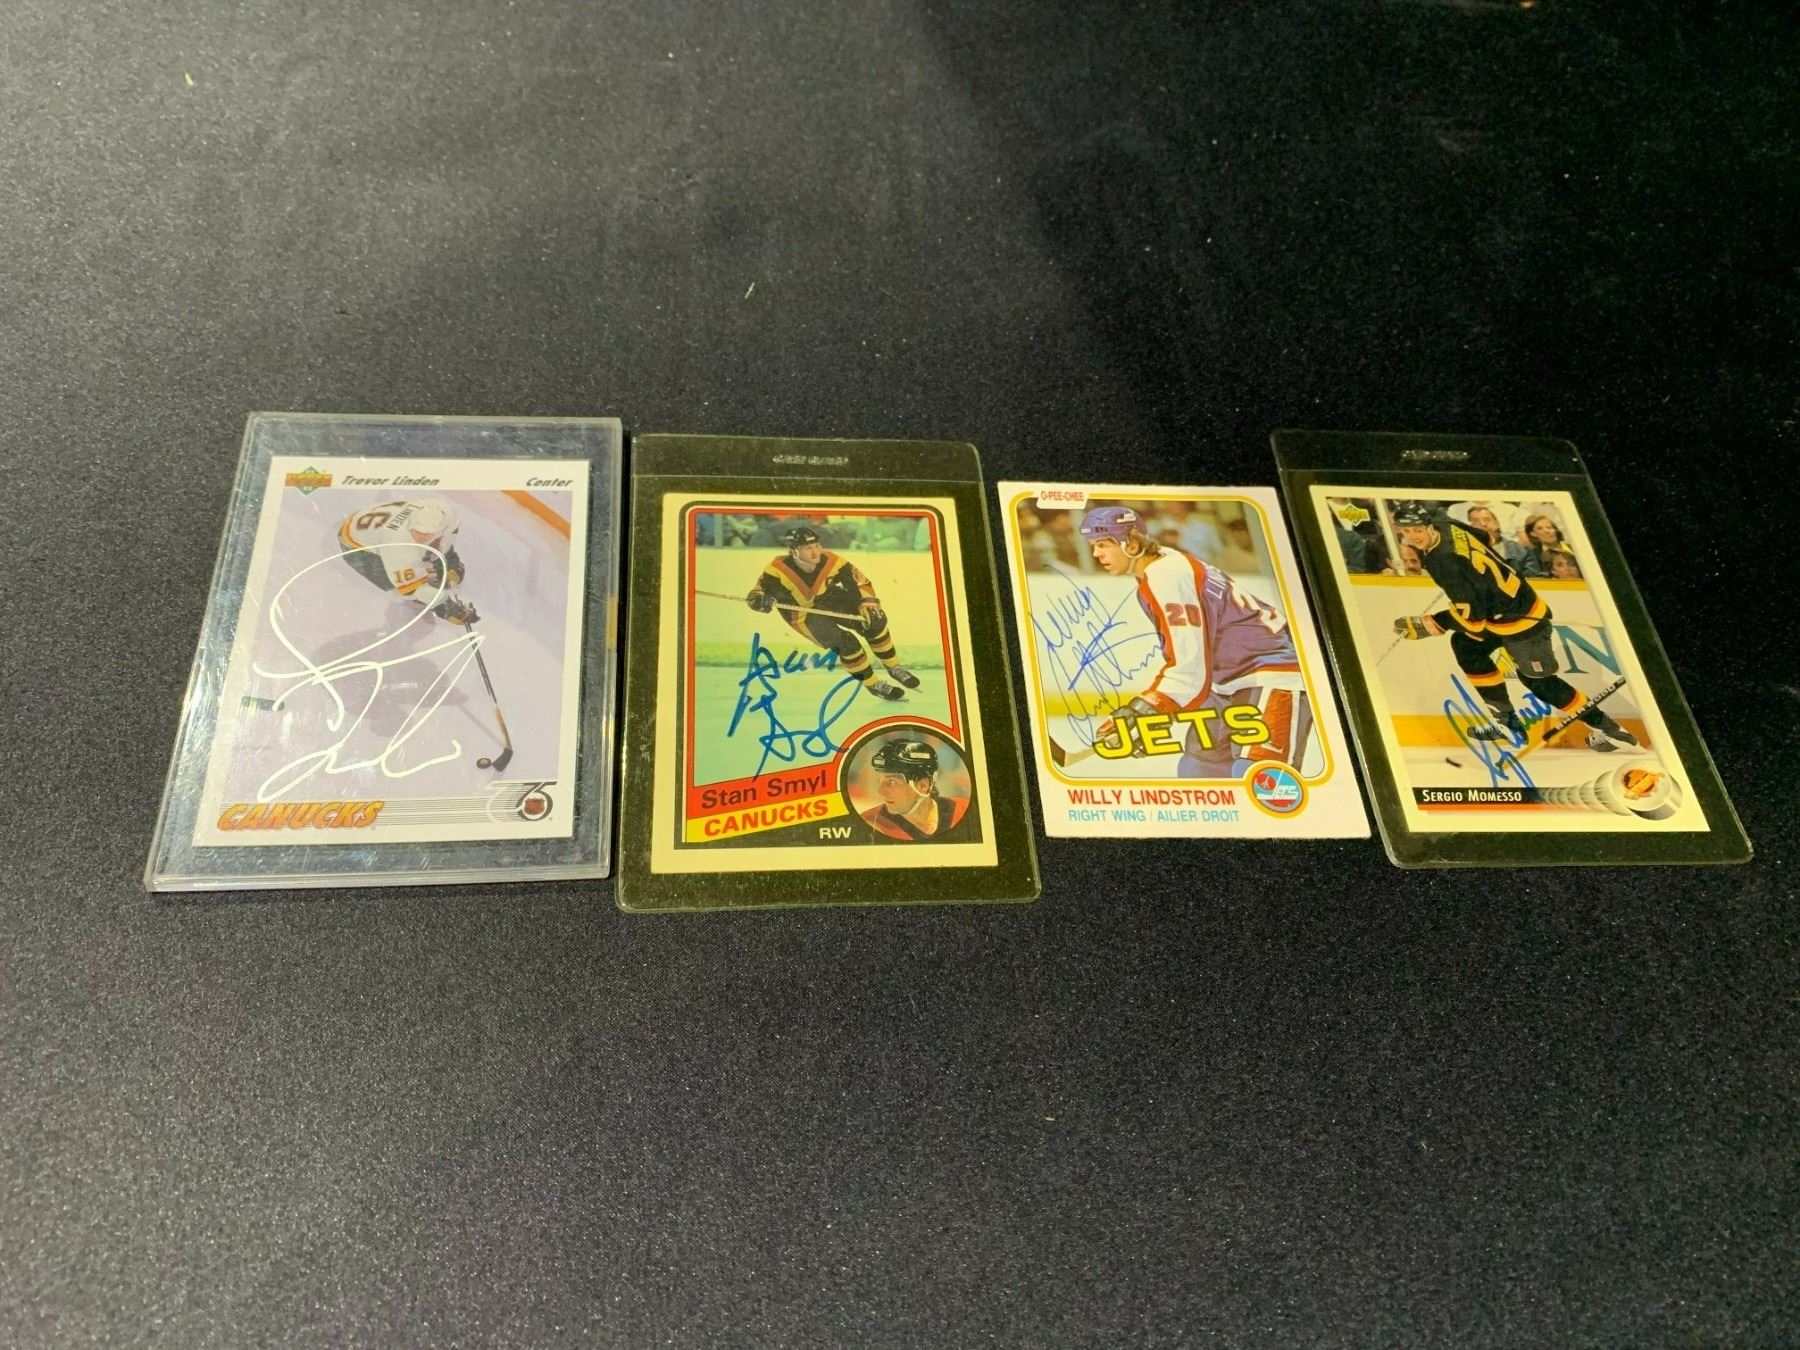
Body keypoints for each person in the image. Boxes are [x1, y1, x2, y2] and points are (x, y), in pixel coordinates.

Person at [1079, 505, 1311, 777]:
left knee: (1258, 778)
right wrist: (1156, 711)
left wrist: (1142, 710)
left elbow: (1187, 669)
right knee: (1199, 770)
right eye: (1094, 546)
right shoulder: (1164, 566)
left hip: (1272, 674)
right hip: (1226, 681)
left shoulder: (1166, 575)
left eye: (1103, 545)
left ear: (1130, 544)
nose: (1096, 554)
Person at [1388, 501, 1635, 749]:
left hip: (1522, 620)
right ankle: (1507, 722)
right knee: (1466, 645)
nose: (1413, 536)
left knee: (1538, 682)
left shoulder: (1442, 561)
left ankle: (1611, 730)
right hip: (1500, 614)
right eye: (1406, 531)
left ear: (1429, 525)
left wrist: (1434, 623)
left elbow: (1474, 618)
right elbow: (1486, 538)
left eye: (1418, 530)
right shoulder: (1447, 524)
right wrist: (1473, 575)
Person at [744, 526, 918, 701]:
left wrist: (867, 603)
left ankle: (894, 667)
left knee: (874, 620)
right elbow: (757, 593)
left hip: (828, 599)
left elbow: (859, 582)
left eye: (816, 546)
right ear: (794, 551)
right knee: (847, 644)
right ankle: (873, 684)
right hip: (801, 614)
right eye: (808, 548)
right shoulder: (777, 569)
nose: (815, 552)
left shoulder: (832, 561)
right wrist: (759, 600)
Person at [336, 498, 478, 625]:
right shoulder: (399, 548)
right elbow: (415, 590)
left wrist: (447, 559)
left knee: (426, 550)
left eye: (426, 535)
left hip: (371, 517)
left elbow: (446, 537)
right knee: (397, 582)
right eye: (417, 534)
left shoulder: (441, 511)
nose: (419, 538)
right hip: (354, 544)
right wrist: (446, 607)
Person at [859, 737, 968, 840]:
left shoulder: (962, 809)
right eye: (879, 780)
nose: (880, 791)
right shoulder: (871, 824)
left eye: (891, 781)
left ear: (923, 786)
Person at [1464, 503, 1532, 572]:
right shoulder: (1464, 551)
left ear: (1497, 523)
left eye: (1487, 520)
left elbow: (1533, 576)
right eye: (1476, 521)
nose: (1483, 524)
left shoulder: (1520, 550)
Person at [1518, 512, 1567, 577]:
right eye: (1540, 528)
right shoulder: (1532, 555)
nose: (1547, 531)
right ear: (1533, 533)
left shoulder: (1571, 549)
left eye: (1549, 527)